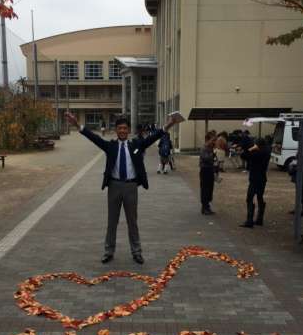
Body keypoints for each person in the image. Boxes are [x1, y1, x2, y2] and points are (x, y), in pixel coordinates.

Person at [65, 111, 177, 264]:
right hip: (114, 186)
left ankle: (136, 252)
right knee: (112, 221)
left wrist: (168, 125)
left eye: (125, 128)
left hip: (131, 186)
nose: (122, 131)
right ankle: (108, 251)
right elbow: (94, 138)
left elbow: (152, 138)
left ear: (128, 130)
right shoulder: (110, 146)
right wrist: (77, 125)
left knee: (132, 222)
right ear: (116, 130)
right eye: (120, 128)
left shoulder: (136, 144)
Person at [239, 138, 271, 228]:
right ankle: (260, 219)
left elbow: (243, 155)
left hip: (254, 179)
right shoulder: (266, 153)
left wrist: (251, 149)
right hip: (262, 178)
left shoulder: (256, 153)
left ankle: (249, 220)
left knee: (250, 198)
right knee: (260, 197)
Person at [200, 134, 217, 215]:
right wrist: (213, 154)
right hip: (205, 170)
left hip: (210, 169)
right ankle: (205, 207)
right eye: (213, 140)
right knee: (205, 189)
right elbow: (205, 158)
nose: (214, 142)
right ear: (208, 140)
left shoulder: (210, 148)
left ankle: (207, 206)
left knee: (210, 189)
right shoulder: (204, 148)